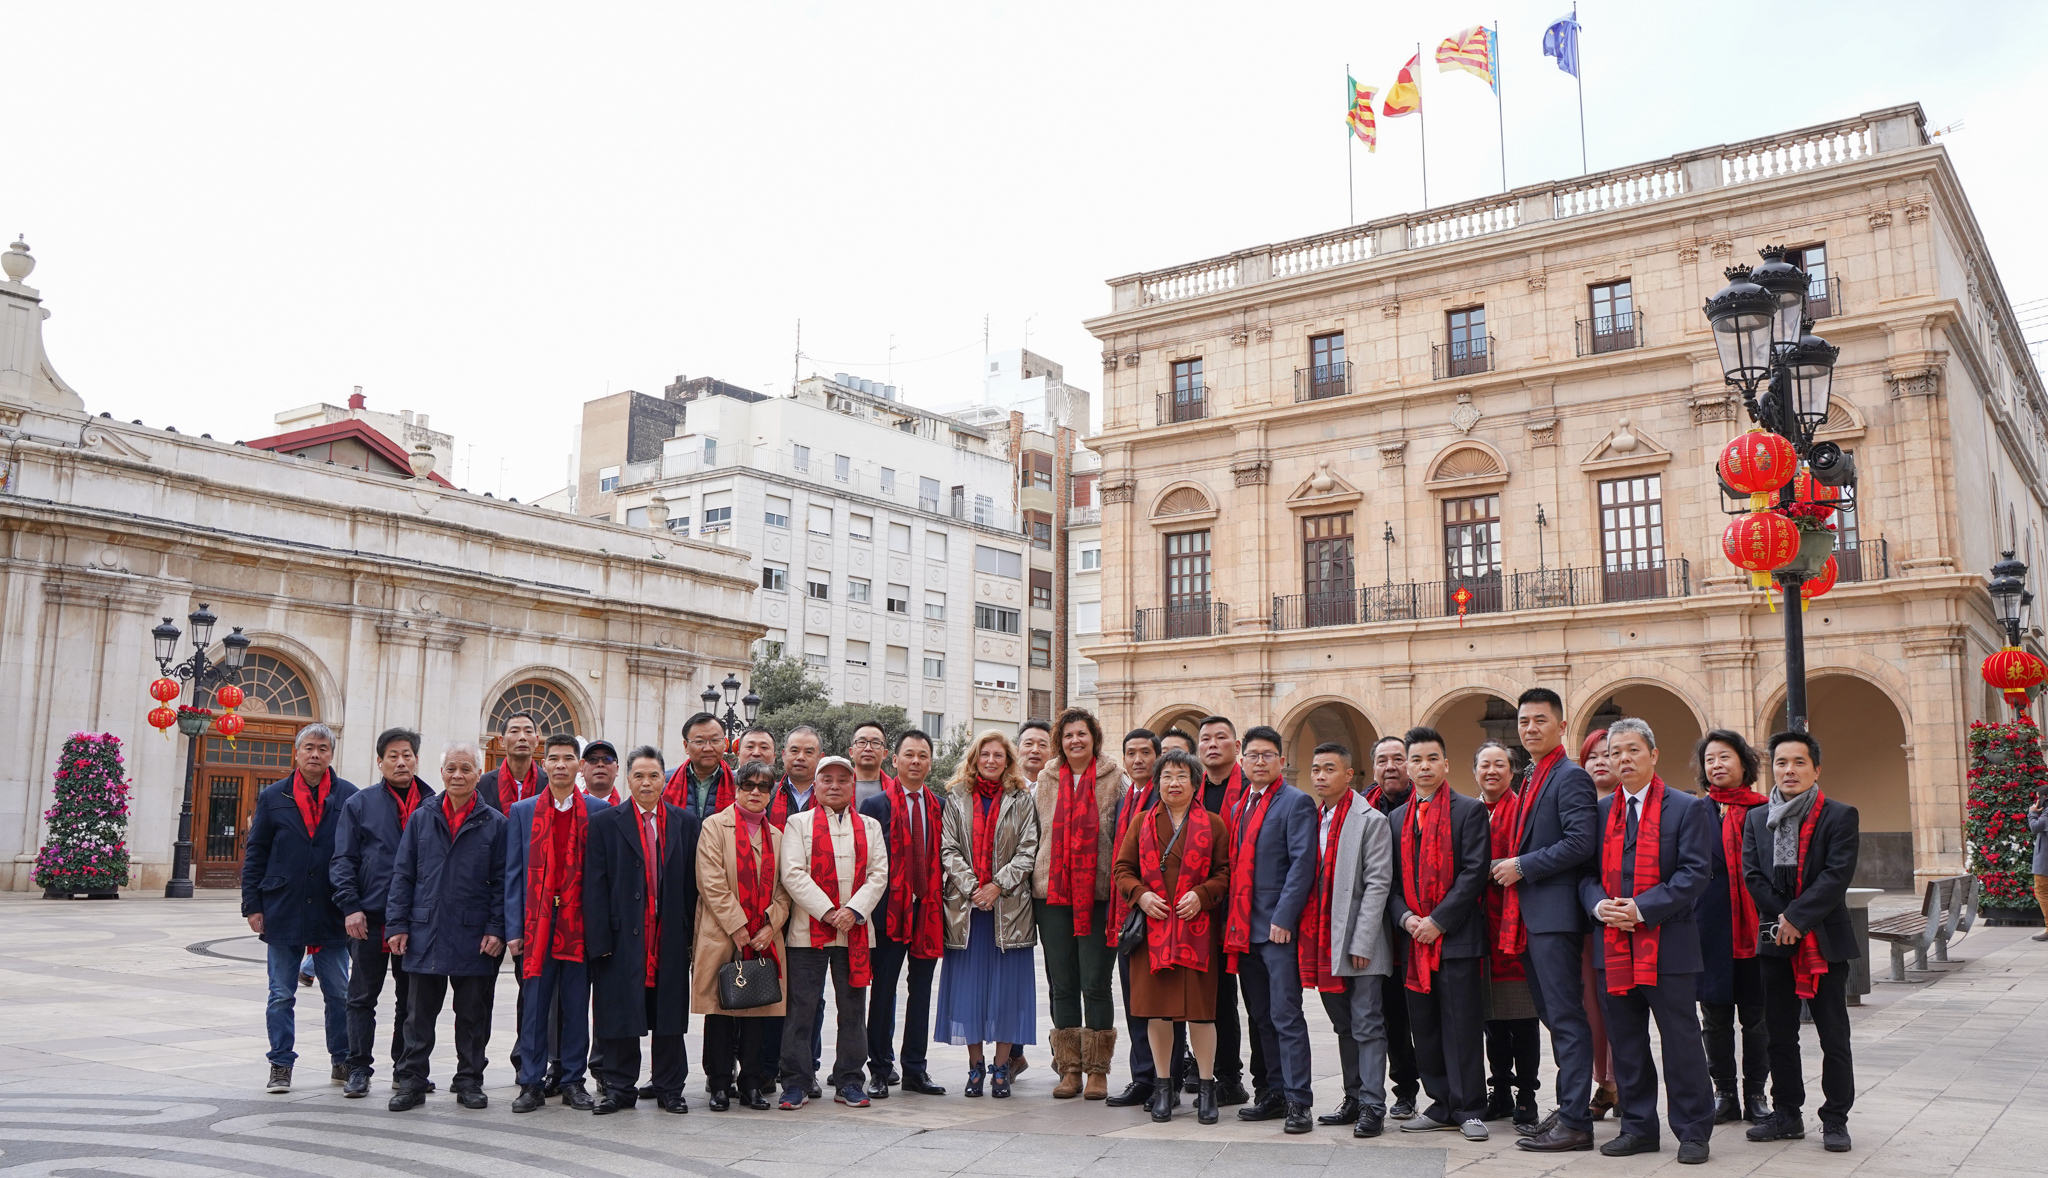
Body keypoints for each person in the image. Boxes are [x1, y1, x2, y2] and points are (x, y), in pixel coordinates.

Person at [1579, 719, 1717, 1164]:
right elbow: (1585, 876)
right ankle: (1638, 1127)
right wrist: (1600, 907)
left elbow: (1695, 873)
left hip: (1669, 947)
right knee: (1627, 1041)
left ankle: (1694, 1131)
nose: (1623, 759)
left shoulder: (1686, 807)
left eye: (1633, 750)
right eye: (1615, 752)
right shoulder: (1598, 813)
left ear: (1653, 754)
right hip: (1613, 947)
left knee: (1681, 1042)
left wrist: (1640, 908)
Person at [1493, 688, 1600, 1154]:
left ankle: (1576, 1123)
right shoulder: (1538, 774)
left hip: (1555, 917)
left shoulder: (1570, 776)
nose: (1530, 728)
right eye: (1523, 722)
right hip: (1534, 917)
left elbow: (1581, 842)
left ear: (1560, 724)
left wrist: (1523, 865)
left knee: (1566, 1019)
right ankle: (1568, 1109)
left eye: (1540, 720)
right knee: (1555, 1021)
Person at [1743, 731, 1860, 1154]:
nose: (1788, 770)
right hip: (1776, 940)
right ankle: (1787, 1114)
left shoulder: (1839, 815)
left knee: (1834, 1035)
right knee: (1779, 1034)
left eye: (1798, 762)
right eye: (1780, 762)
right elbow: (1753, 875)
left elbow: (1835, 876)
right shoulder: (1757, 819)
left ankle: (1835, 1119)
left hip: (1824, 940)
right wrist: (1783, 920)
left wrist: (1796, 917)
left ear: (1816, 769)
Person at [386, 741, 507, 1110]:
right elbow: (403, 874)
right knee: (417, 1015)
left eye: (466, 769)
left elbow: (503, 882)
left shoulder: (495, 823)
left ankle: (469, 1080)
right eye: (451, 768)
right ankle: (412, 1081)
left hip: (475, 935)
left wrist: (497, 927)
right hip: (426, 930)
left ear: (478, 773)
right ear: (441, 773)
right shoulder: (423, 817)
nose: (458, 775)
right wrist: (397, 924)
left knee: (473, 1016)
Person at [1112, 747, 1231, 1124]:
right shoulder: (1141, 821)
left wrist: (1202, 894)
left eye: (1181, 776)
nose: (1173, 782)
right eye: (1166, 776)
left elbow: (1225, 873)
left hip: (1196, 933)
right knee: (1157, 1015)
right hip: (1153, 932)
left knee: (1201, 1015)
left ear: (1195, 784)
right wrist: (1141, 895)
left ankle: (1207, 1087)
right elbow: (1122, 869)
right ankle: (1164, 1088)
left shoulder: (1213, 824)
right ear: (1157, 782)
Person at [586, 746, 703, 1114]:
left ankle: (670, 1088)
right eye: (639, 775)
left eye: (653, 775)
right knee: (619, 1014)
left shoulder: (684, 823)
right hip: (622, 937)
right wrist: (600, 940)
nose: (647, 782)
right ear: (628, 779)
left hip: (668, 935)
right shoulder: (606, 822)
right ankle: (620, 1088)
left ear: (665, 779)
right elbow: (595, 884)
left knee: (668, 1017)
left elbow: (691, 886)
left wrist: (689, 936)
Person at [242, 723, 357, 1094]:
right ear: (296, 751)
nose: (315, 755)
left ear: (331, 755)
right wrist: (252, 904)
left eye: (323, 748)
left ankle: (342, 1059)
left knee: (339, 993)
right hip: (283, 907)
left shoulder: (349, 797)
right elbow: (255, 852)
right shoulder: (273, 796)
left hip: (331, 909)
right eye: (308, 747)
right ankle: (280, 1064)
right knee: (281, 994)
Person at [1389, 726, 1491, 1141]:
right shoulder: (1396, 818)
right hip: (1414, 940)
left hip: (1457, 938)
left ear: (1445, 764)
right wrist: (1407, 919)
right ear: (1408, 767)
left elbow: (1474, 873)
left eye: (1432, 758)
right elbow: (1389, 882)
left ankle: (1469, 1108)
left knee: (1462, 1025)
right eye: (1416, 759)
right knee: (1424, 1026)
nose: (1424, 766)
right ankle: (1440, 1102)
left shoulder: (1468, 811)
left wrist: (1439, 921)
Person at [776, 755, 890, 1109]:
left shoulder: (869, 826)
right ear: (817, 784)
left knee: (853, 1009)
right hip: (807, 931)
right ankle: (796, 1081)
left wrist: (852, 911)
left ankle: (849, 1080)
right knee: (801, 1008)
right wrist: (828, 911)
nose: (835, 786)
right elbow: (793, 873)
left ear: (852, 785)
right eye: (828, 779)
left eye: (843, 779)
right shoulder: (798, 823)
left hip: (853, 931)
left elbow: (879, 874)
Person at [505, 734, 610, 1112]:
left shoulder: (598, 811)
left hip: (578, 925)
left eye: (569, 758)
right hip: (536, 926)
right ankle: (531, 1082)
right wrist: (514, 930)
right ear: (543, 764)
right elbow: (513, 875)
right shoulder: (523, 811)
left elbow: (603, 878)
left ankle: (572, 1079)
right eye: (554, 758)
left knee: (577, 1006)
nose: (561, 764)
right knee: (534, 1006)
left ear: (579, 765)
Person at [934, 731, 1041, 1097]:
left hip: (1009, 910)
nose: (991, 760)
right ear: (975, 758)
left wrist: (997, 885)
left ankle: (1001, 1069)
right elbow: (948, 848)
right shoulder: (956, 798)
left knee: (1006, 994)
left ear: (1008, 760)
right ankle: (974, 1068)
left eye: (998, 755)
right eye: (985, 754)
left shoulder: (1021, 798)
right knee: (970, 992)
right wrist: (973, 889)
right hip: (967, 913)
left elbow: (1029, 850)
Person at [1225, 726, 1318, 1133]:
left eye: (1267, 755)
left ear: (1281, 761)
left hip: (1276, 929)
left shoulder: (1296, 803)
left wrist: (1284, 917)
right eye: (1252, 755)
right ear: (1242, 761)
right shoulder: (1241, 803)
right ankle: (1275, 1092)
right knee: (1261, 1017)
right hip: (1245, 928)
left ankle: (1299, 1101)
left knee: (1286, 1016)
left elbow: (1302, 865)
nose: (1259, 762)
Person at [330, 727, 432, 1098]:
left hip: (416, 921)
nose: (401, 761)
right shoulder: (360, 803)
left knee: (412, 1001)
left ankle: (405, 1068)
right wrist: (350, 906)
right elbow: (343, 859)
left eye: (407, 754)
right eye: (393, 756)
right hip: (370, 918)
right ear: (380, 762)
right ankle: (358, 1068)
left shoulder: (432, 803)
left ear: (417, 759)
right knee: (361, 997)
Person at [1302, 742, 1395, 1138]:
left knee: (1368, 1023)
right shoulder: (1313, 819)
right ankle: (1353, 1097)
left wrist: (1361, 941)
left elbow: (1378, 884)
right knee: (1343, 1025)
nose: (1320, 776)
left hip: (1361, 944)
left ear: (1348, 774)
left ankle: (1374, 1104)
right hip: (1324, 937)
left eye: (1329, 769)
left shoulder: (1370, 820)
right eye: (1315, 769)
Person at [1033, 707, 1124, 1100]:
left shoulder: (1114, 778)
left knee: (1096, 983)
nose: (1075, 741)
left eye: (1082, 734)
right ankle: (1069, 1068)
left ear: (1094, 738)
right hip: (1052, 894)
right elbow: (1034, 830)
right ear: (1060, 741)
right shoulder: (1045, 778)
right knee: (1063, 985)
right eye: (1068, 735)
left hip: (1099, 893)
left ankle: (1098, 1071)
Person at [694, 759, 792, 1112]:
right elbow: (711, 881)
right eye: (748, 785)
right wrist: (738, 927)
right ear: (736, 788)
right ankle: (719, 1083)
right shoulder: (714, 826)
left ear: (770, 793)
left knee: (758, 1011)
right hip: (722, 934)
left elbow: (785, 888)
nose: (755, 792)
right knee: (721, 1011)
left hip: (764, 937)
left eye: (763, 787)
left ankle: (751, 1084)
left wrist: (770, 925)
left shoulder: (778, 836)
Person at [860, 728, 948, 1097]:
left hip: (927, 909)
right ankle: (879, 1068)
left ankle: (916, 1068)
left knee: (922, 992)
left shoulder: (940, 805)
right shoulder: (875, 805)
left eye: (923, 755)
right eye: (908, 755)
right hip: (888, 911)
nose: (915, 761)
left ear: (930, 762)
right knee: (882, 992)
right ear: (894, 761)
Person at [1106, 728, 1188, 1108]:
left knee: (1167, 1008)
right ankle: (1143, 1078)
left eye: (1145, 753)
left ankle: (1165, 1081)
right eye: (1131, 753)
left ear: (1158, 759)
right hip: (1131, 916)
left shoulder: (1165, 803)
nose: (1137, 759)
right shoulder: (1128, 798)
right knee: (1137, 1002)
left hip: (1165, 916)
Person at [1694, 729, 1772, 1123]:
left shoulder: (1765, 810)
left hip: (1758, 927)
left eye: (1724, 757)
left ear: (1744, 763)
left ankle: (1756, 1092)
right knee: (1715, 1016)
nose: (1716, 765)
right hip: (1711, 929)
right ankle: (1723, 1091)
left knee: (1758, 1017)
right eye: (1710, 760)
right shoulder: (1695, 812)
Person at [1474, 740, 1541, 1127]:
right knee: (1492, 1022)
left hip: (1517, 931)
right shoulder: (1469, 812)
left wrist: (1486, 868)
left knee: (1523, 1019)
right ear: (1475, 772)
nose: (1492, 771)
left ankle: (1527, 1096)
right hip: (1481, 934)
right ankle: (1498, 1091)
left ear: (1512, 771)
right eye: (1485, 765)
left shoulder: (1524, 812)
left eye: (1500, 764)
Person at [1193, 714, 1258, 1106]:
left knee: (1252, 1001)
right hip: (1202, 911)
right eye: (1205, 739)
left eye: (1221, 738)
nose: (1213, 744)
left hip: (1245, 910)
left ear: (1237, 746)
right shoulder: (1192, 791)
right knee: (1213, 999)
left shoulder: (1251, 791)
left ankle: (1256, 1081)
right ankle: (1220, 1076)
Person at [1365, 734, 1420, 1120]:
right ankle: (1404, 1090)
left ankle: (1447, 1087)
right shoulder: (1363, 808)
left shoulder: (1427, 801)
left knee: (1429, 1015)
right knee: (1392, 1016)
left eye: (1398, 759)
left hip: (1420, 923)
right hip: (1378, 927)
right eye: (1383, 760)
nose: (1391, 767)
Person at [1577, 728, 1621, 1122]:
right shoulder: (1578, 806)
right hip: (1586, 923)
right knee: (1591, 1008)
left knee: (1621, 1009)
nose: (1601, 761)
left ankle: (1621, 1082)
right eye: (1593, 755)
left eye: (1609, 754)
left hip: (1630, 921)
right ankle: (1607, 1083)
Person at [667, 712, 735, 818]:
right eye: (699, 741)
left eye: (715, 740)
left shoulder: (740, 783)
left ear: (725, 744)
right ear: (686, 746)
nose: (708, 748)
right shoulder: (664, 782)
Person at [489, 711, 542, 812]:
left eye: (528, 731)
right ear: (501, 741)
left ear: (537, 740)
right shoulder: (482, 785)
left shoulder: (550, 784)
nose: (522, 737)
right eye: (514, 731)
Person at [770, 726, 823, 828]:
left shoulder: (830, 796)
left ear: (820, 758)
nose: (801, 757)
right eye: (794, 751)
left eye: (808, 752)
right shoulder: (767, 795)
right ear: (784, 755)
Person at [850, 721, 895, 806]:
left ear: (885, 753)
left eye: (875, 743)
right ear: (851, 752)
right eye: (862, 742)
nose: (868, 748)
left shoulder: (895, 790)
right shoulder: (838, 788)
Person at [582, 739, 625, 805]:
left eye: (608, 759)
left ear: (617, 769)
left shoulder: (631, 813)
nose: (600, 764)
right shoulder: (569, 811)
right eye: (592, 759)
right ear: (582, 769)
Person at [2032, 787, 2048, 943]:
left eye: (2037, 798)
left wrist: (2033, 813)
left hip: (2045, 861)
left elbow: (2036, 827)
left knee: (2042, 891)